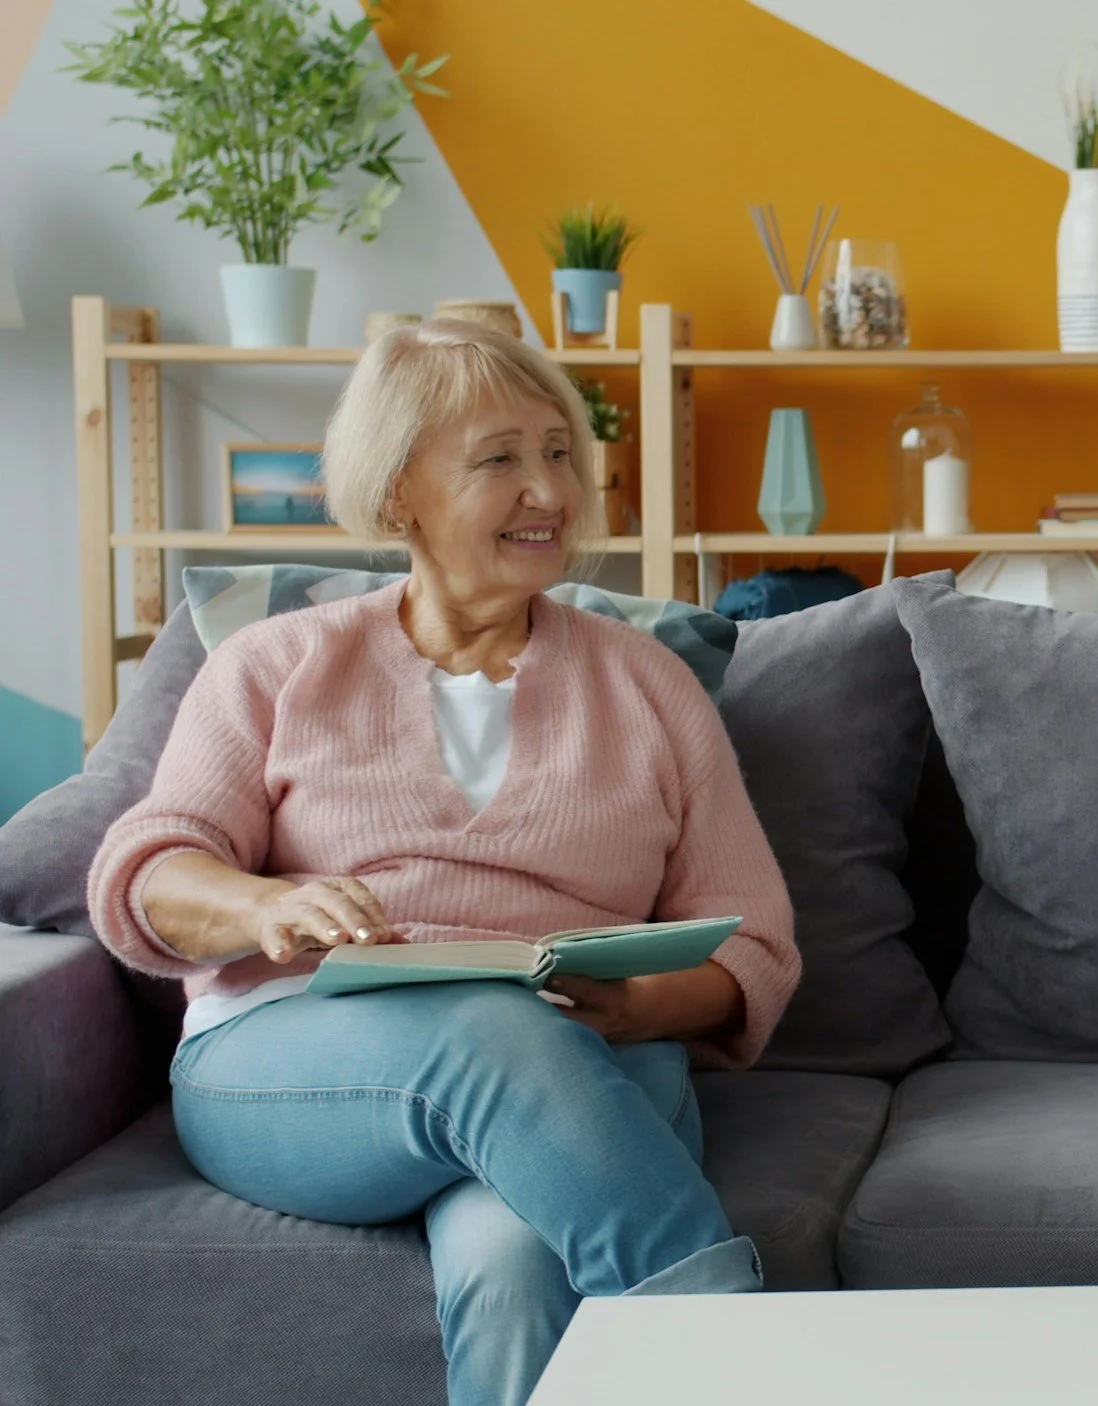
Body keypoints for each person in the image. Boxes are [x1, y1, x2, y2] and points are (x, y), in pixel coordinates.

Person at [85, 319, 800, 1405]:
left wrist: (642, 1002)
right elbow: (151, 870)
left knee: (513, 1263)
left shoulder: (650, 685)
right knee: (489, 1024)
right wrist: (262, 902)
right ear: (399, 491)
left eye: (559, 451)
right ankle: (738, 1367)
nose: (548, 490)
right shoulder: (275, 664)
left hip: (582, 1057)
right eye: (499, 458)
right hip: (297, 1067)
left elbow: (753, 941)